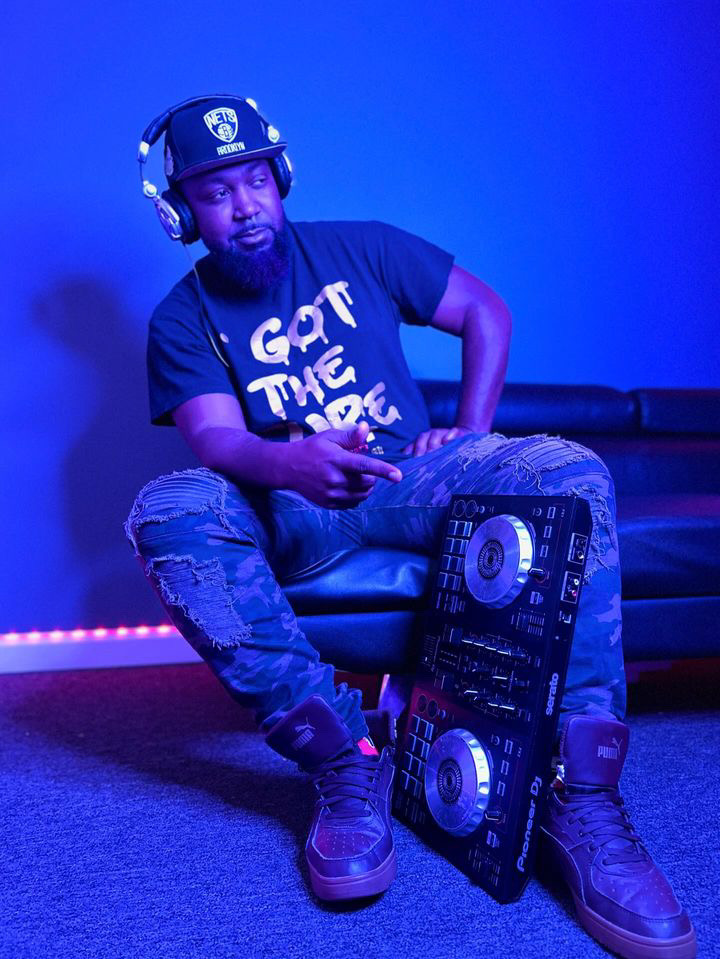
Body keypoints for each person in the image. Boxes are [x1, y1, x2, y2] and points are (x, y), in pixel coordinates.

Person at [125, 95, 695, 958]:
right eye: (215, 193)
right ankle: (347, 759)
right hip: (287, 499)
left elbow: (484, 311)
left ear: (281, 179)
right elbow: (216, 439)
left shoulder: (365, 246)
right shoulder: (182, 315)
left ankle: (578, 797)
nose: (243, 207)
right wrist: (293, 463)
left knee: (566, 471)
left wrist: (467, 431)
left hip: (410, 476)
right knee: (169, 507)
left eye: (255, 182)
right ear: (182, 214)